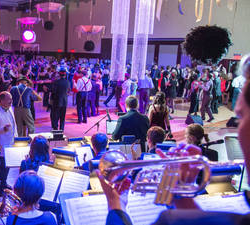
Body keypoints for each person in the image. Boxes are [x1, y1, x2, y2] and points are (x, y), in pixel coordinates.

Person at [102, 55, 250, 225]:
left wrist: (116, 206)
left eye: (241, 116)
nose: (237, 128)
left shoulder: (170, 219)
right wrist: (180, 192)